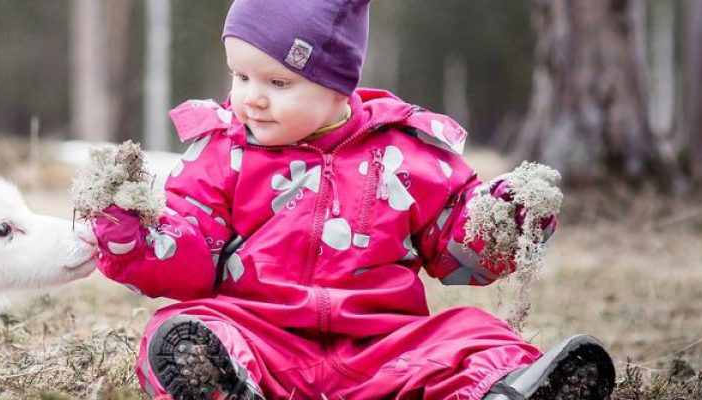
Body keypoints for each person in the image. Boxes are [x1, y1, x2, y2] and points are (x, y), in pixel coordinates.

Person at [82, 0, 615, 398]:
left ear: (338, 84)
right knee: (185, 330)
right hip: (263, 339)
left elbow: (457, 253)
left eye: (278, 82)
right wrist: (136, 234)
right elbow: (191, 255)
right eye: (239, 76)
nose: (251, 98)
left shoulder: (405, 152)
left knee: (476, 333)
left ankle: (505, 388)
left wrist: (505, 221)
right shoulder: (225, 151)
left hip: (386, 350)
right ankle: (223, 384)